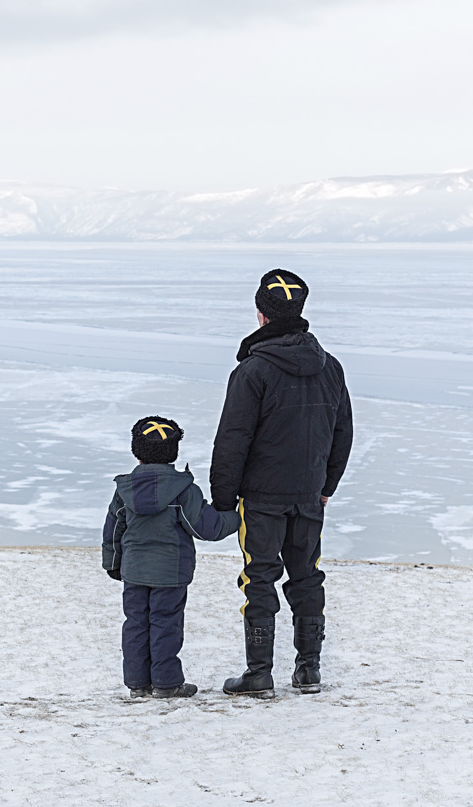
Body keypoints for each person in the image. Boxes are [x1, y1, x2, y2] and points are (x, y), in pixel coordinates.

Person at [211, 269, 354, 696]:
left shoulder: (253, 371)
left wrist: (222, 498)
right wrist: (326, 485)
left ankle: (259, 672)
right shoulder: (331, 367)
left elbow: (233, 439)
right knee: (306, 576)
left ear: (261, 315)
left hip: (261, 498)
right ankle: (308, 669)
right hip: (309, 494)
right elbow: (342, 431)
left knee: (258, 578)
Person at [102, 415, 240, 699]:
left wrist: (113, 564)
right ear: (174, 451)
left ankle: (138, 684)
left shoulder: (124, 490)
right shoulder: (183, 490)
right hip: (171, 572)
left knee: (136, 624)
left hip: (134, 571)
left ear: (136, 451)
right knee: (166, 623)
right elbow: (207, 527)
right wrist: (237, 517)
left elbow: (113, 531)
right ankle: (166, 684)